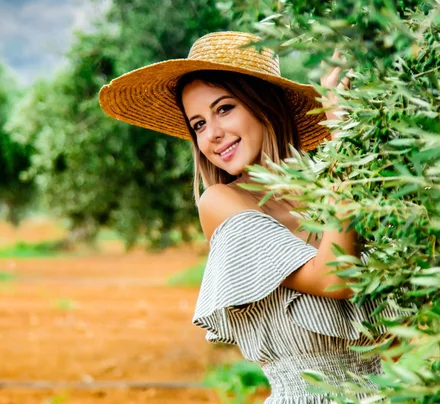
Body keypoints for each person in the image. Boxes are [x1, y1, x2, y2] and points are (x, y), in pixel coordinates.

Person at [99, 32, 394, 402]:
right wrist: (342, 143)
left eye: (224, 109)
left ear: (263, 105)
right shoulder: (222, 202)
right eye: (199, 124)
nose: (213, 135)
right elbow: (335, 278)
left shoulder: (333, 188)